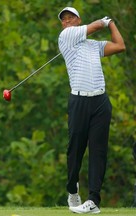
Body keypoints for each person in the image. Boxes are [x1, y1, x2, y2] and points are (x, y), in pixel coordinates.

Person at [57, 7, 125, 214]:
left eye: (71, 18)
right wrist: (103, 22)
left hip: (100, 102)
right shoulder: (66, 36)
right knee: (75, 150)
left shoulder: (93, 46)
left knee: (98, 151)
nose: (67, 21)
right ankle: (72, 189)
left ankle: (93, 200)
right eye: (64, 19)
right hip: (79, 101)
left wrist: (111, 22)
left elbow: (120, 46)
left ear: (78, 20)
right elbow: (95, 26)